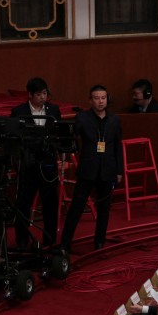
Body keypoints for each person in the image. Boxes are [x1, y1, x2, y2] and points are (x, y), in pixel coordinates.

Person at [61, 84, 122, 252]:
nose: (100, 101)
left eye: (103, 98)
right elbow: (72, 139)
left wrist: (119, 171)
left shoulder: (114, 120)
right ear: (90, 100)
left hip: (108, 170)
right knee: (77, 207)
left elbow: (117, 145)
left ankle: (99, 242)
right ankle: (65, 243)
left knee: (104, 208)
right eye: (96, 98)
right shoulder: (82, 118)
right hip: (88, 169)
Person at [9, 77, 62, 247]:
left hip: (48, 165)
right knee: (23, 204)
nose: (42, 97)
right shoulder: (19, 111)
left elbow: (58, 135)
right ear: (30, 94)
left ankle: (50, 240)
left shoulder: (54, 110)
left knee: (50, 206)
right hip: (28, 165)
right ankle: (22, 241)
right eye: (39, 94)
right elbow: (14, 139)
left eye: (45, 93)